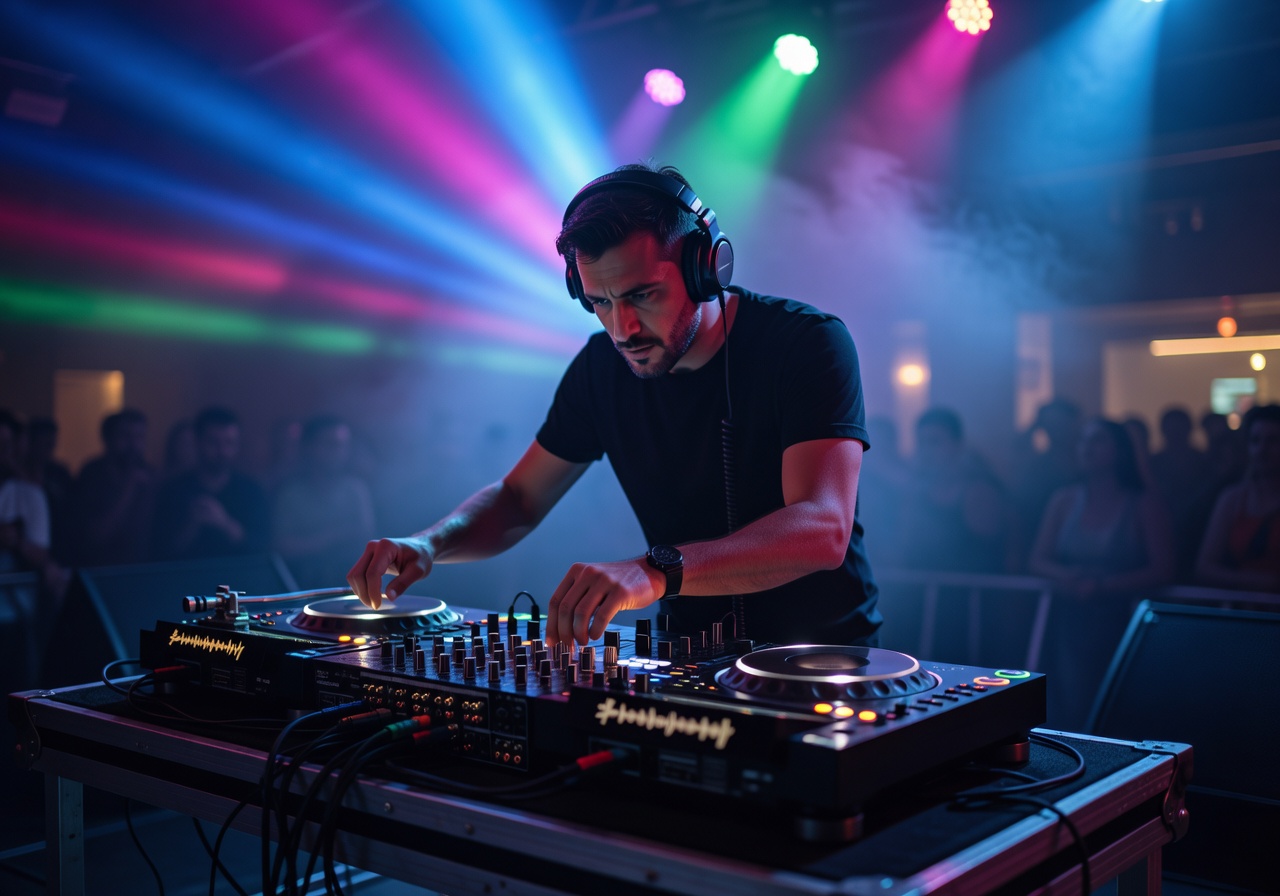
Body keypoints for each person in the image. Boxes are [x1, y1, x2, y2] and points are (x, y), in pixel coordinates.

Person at [348, 163, 880, 649]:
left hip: (824, 662)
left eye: (643, 295)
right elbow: (518, 500)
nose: (623, 329)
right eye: (600, 302)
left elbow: (821, 528)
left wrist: (654, 571)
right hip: (688, 658)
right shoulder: (601, 367)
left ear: (704, 268)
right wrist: (429, 543)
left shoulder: (806, 343)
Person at [1028, 417, 1173, 730]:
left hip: (1125, 620)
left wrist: (1104, 585)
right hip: (1071, 621)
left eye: (1097, 440)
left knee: (1123, 704)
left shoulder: (1143, 503)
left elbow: (1163, 568)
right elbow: (1038, 558)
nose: (1087, 448)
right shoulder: (1064, 499)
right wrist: (1066, 576)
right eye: (1083, 441)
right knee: (1071, 702)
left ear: (1120, 451)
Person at [152, 406, 270, 560]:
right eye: (213, 442)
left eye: (229, 443)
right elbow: (159, 553)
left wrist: (224, 523)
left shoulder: (251, 491)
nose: (222, 451)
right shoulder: (173, 491)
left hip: (235, 579)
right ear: (197, 442)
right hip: (187, 579)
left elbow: (262, 547)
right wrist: (191, 525)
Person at [273, 415, 376, 588]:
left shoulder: (355, 490)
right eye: (330, 444)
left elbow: (366, 540)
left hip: (352, 585)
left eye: (343, 445)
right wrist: (335, 537)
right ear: (309, 447)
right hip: (303, 587)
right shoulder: (291, 494)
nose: (339, 452)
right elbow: (282, 547)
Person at [1195, 404, 1280, 592]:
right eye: (1256, 441)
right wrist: (1265, 583)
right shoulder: (1233, 499)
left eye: (1273, 441)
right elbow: (1205, 567)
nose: (1262, 449)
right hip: (1245, 609)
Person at [69, 408, 156, 567]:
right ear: (107, 438)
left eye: (140, 437)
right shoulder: (92, 474)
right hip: (99, 571)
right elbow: (94, 535)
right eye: (126, 436)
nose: (134, 445)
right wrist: (129, 488)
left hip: (141, 572)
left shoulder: (151, 474)